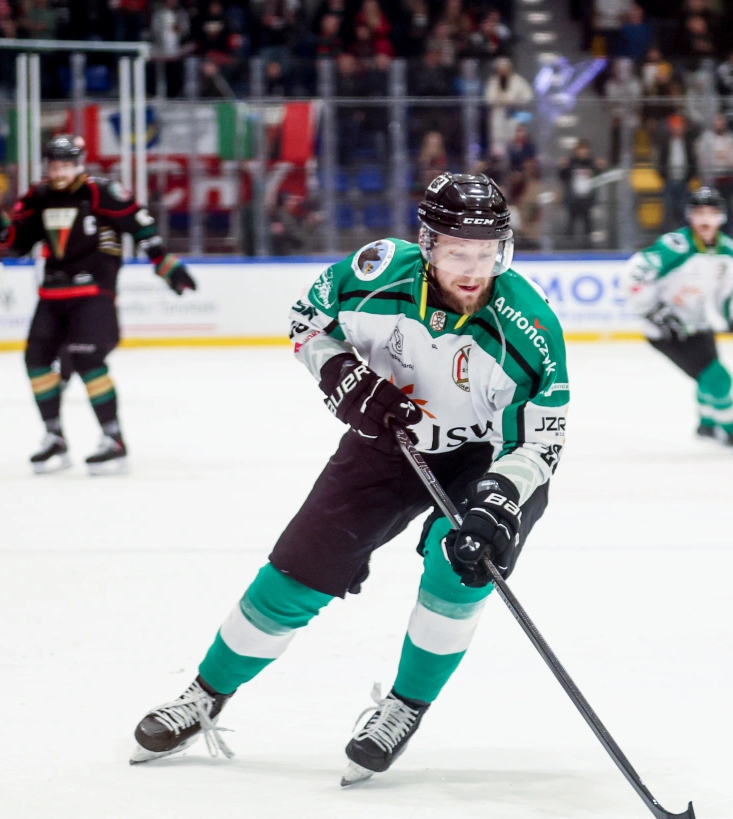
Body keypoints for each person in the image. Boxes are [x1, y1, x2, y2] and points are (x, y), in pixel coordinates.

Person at [129, 173, 570, 786]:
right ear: (427, 244)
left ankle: (405, 706)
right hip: (392, 437)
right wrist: (339, 371)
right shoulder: (376, 275)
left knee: (459, 564)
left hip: (489, 457)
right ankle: (205, 694)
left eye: (487, 253)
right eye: (456, 252)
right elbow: (308, 321)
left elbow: (538, 441)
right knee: (300, 566)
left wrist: (499, 501)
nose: (474, 270)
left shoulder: (529, 326)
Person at [0, 135, 196, 475]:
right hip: (53, 292)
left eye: (66, 166)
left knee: (87, 359)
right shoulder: (38, 197)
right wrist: (0, 222)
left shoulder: (101, 192)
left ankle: (114, 440)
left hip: (94, 291)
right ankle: (54, 437)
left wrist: (166, 265)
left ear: (78, 165)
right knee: (36, 360)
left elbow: (141, 227)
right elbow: (19, 244)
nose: (59, 172)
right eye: (54, 166)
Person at [623, 187, 733, 452]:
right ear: (690, 216)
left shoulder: (731, 252)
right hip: (666, 332)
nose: (705, 219)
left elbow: (732, 293)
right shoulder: (675, 246)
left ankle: (707, 424)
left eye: (711, 213)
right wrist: (656, 313)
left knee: (708, 376)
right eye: (699, 212)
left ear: (721, 217)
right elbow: (634, 275)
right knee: (718, 377)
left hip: (699, 324)